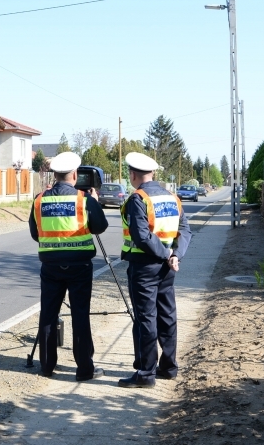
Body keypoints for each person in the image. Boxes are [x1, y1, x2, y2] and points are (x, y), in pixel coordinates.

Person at [28, 151, 109, 381]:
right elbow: (100, 227)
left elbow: (36, 234)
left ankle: (46, 366)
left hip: (51, 267)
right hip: (80, 267)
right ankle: (84, 369)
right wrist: (94, 201)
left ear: (54, 175)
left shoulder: (39, 199)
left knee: (48, 315)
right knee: (80, 315)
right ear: (74, 174)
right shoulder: (84, 200)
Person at [118, 152, 192, 388]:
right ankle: (169, 367)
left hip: (144, 267)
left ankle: (146, 373)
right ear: (153, 173)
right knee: (167, 316)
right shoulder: (173, 198)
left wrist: (166, 255)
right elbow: (185, 231)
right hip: (168, 268)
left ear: (133, 174)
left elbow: (141, 237)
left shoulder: (138, 199)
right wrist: (175, 255)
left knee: (146, 319)